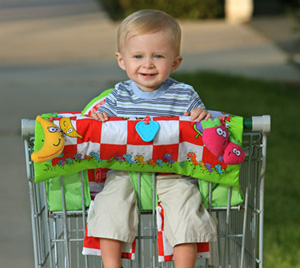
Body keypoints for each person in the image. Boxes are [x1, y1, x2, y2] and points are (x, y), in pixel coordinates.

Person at [87, 9, 217, 268]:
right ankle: (111, 265)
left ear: (175, 62)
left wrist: (202, 115)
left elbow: (200, 126)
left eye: (158, 56)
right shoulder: (119, 94)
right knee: (108, 205)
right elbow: (102, 120)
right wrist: (101, 117)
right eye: (138, 56)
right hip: (125, 170)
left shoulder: (183, 94)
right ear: (121, 60)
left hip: (171, 172)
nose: (147, 64)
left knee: (187, 207)